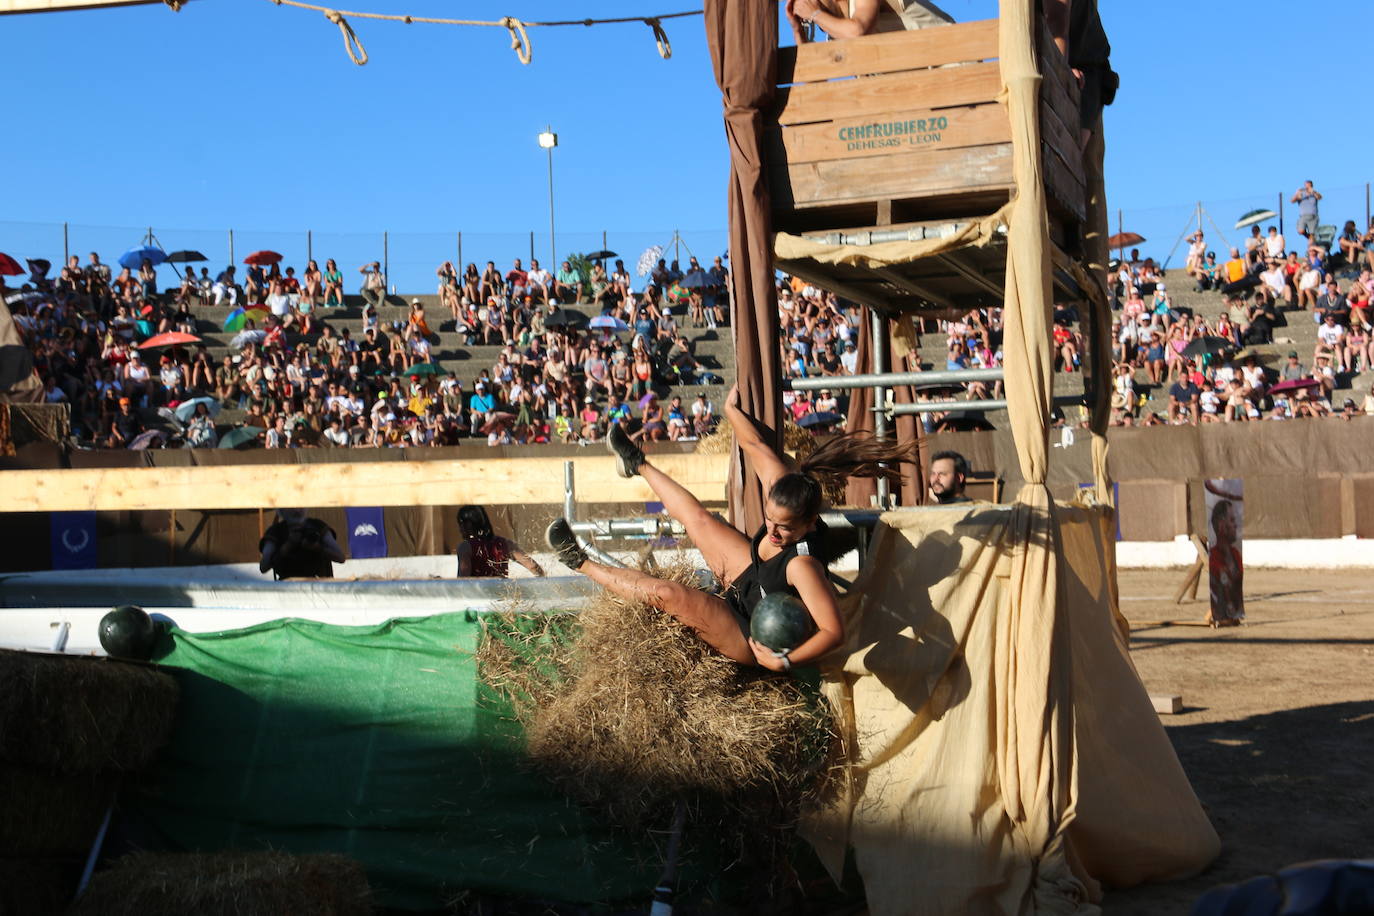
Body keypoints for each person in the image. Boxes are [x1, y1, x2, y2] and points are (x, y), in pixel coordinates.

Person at [545, 385, 912, 671]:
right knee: (702, 520)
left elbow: (835, 632)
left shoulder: (803, 566)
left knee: (670, 595)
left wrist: (784, 661)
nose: (772, 531)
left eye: (785, 529)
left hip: (748, 631)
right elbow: (754, 446)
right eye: (770, 519)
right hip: (747, 578)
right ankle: (636, 462)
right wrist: (729, 410)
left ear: (808, 524)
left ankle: (578, 561)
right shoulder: (784, 490)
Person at [455, 505, 544, 578]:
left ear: (468, 525)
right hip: (501, 596)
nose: (459, 529)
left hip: (478, 597)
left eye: (460, 524)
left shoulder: (465, 547)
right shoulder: (505, 544)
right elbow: (533, 567)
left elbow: (463, 580)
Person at [259, 508, 344, 580]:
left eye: (300, 506)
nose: (297, 510)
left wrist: (317, 548)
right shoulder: (276, 531)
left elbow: (340, 557)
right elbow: (263, 567)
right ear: (281, 510)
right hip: (288, 586)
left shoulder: (317, 526)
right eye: (291, 507)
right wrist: (287, 546)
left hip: (318, 583)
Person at [1207, 497, 1243, 627]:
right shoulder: (1215, 558)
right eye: (1232, 520)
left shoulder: (1235, 555)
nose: (1235, 525)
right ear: (1222, 525)